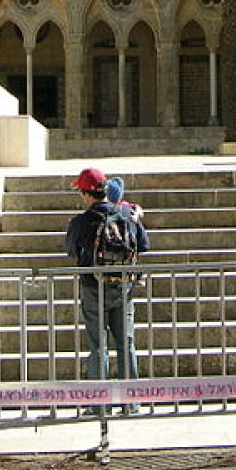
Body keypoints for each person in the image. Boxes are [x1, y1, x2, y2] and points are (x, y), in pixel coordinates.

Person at [65, 167, 149, 400]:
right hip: (124, 286)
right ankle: (130, 401)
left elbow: (70, 250)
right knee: (126, 343)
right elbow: (143, 245)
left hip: (93, 288)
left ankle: (99, 402)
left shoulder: (82, 221)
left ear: (86, 193)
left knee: (98, 344)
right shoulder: (126, 214)